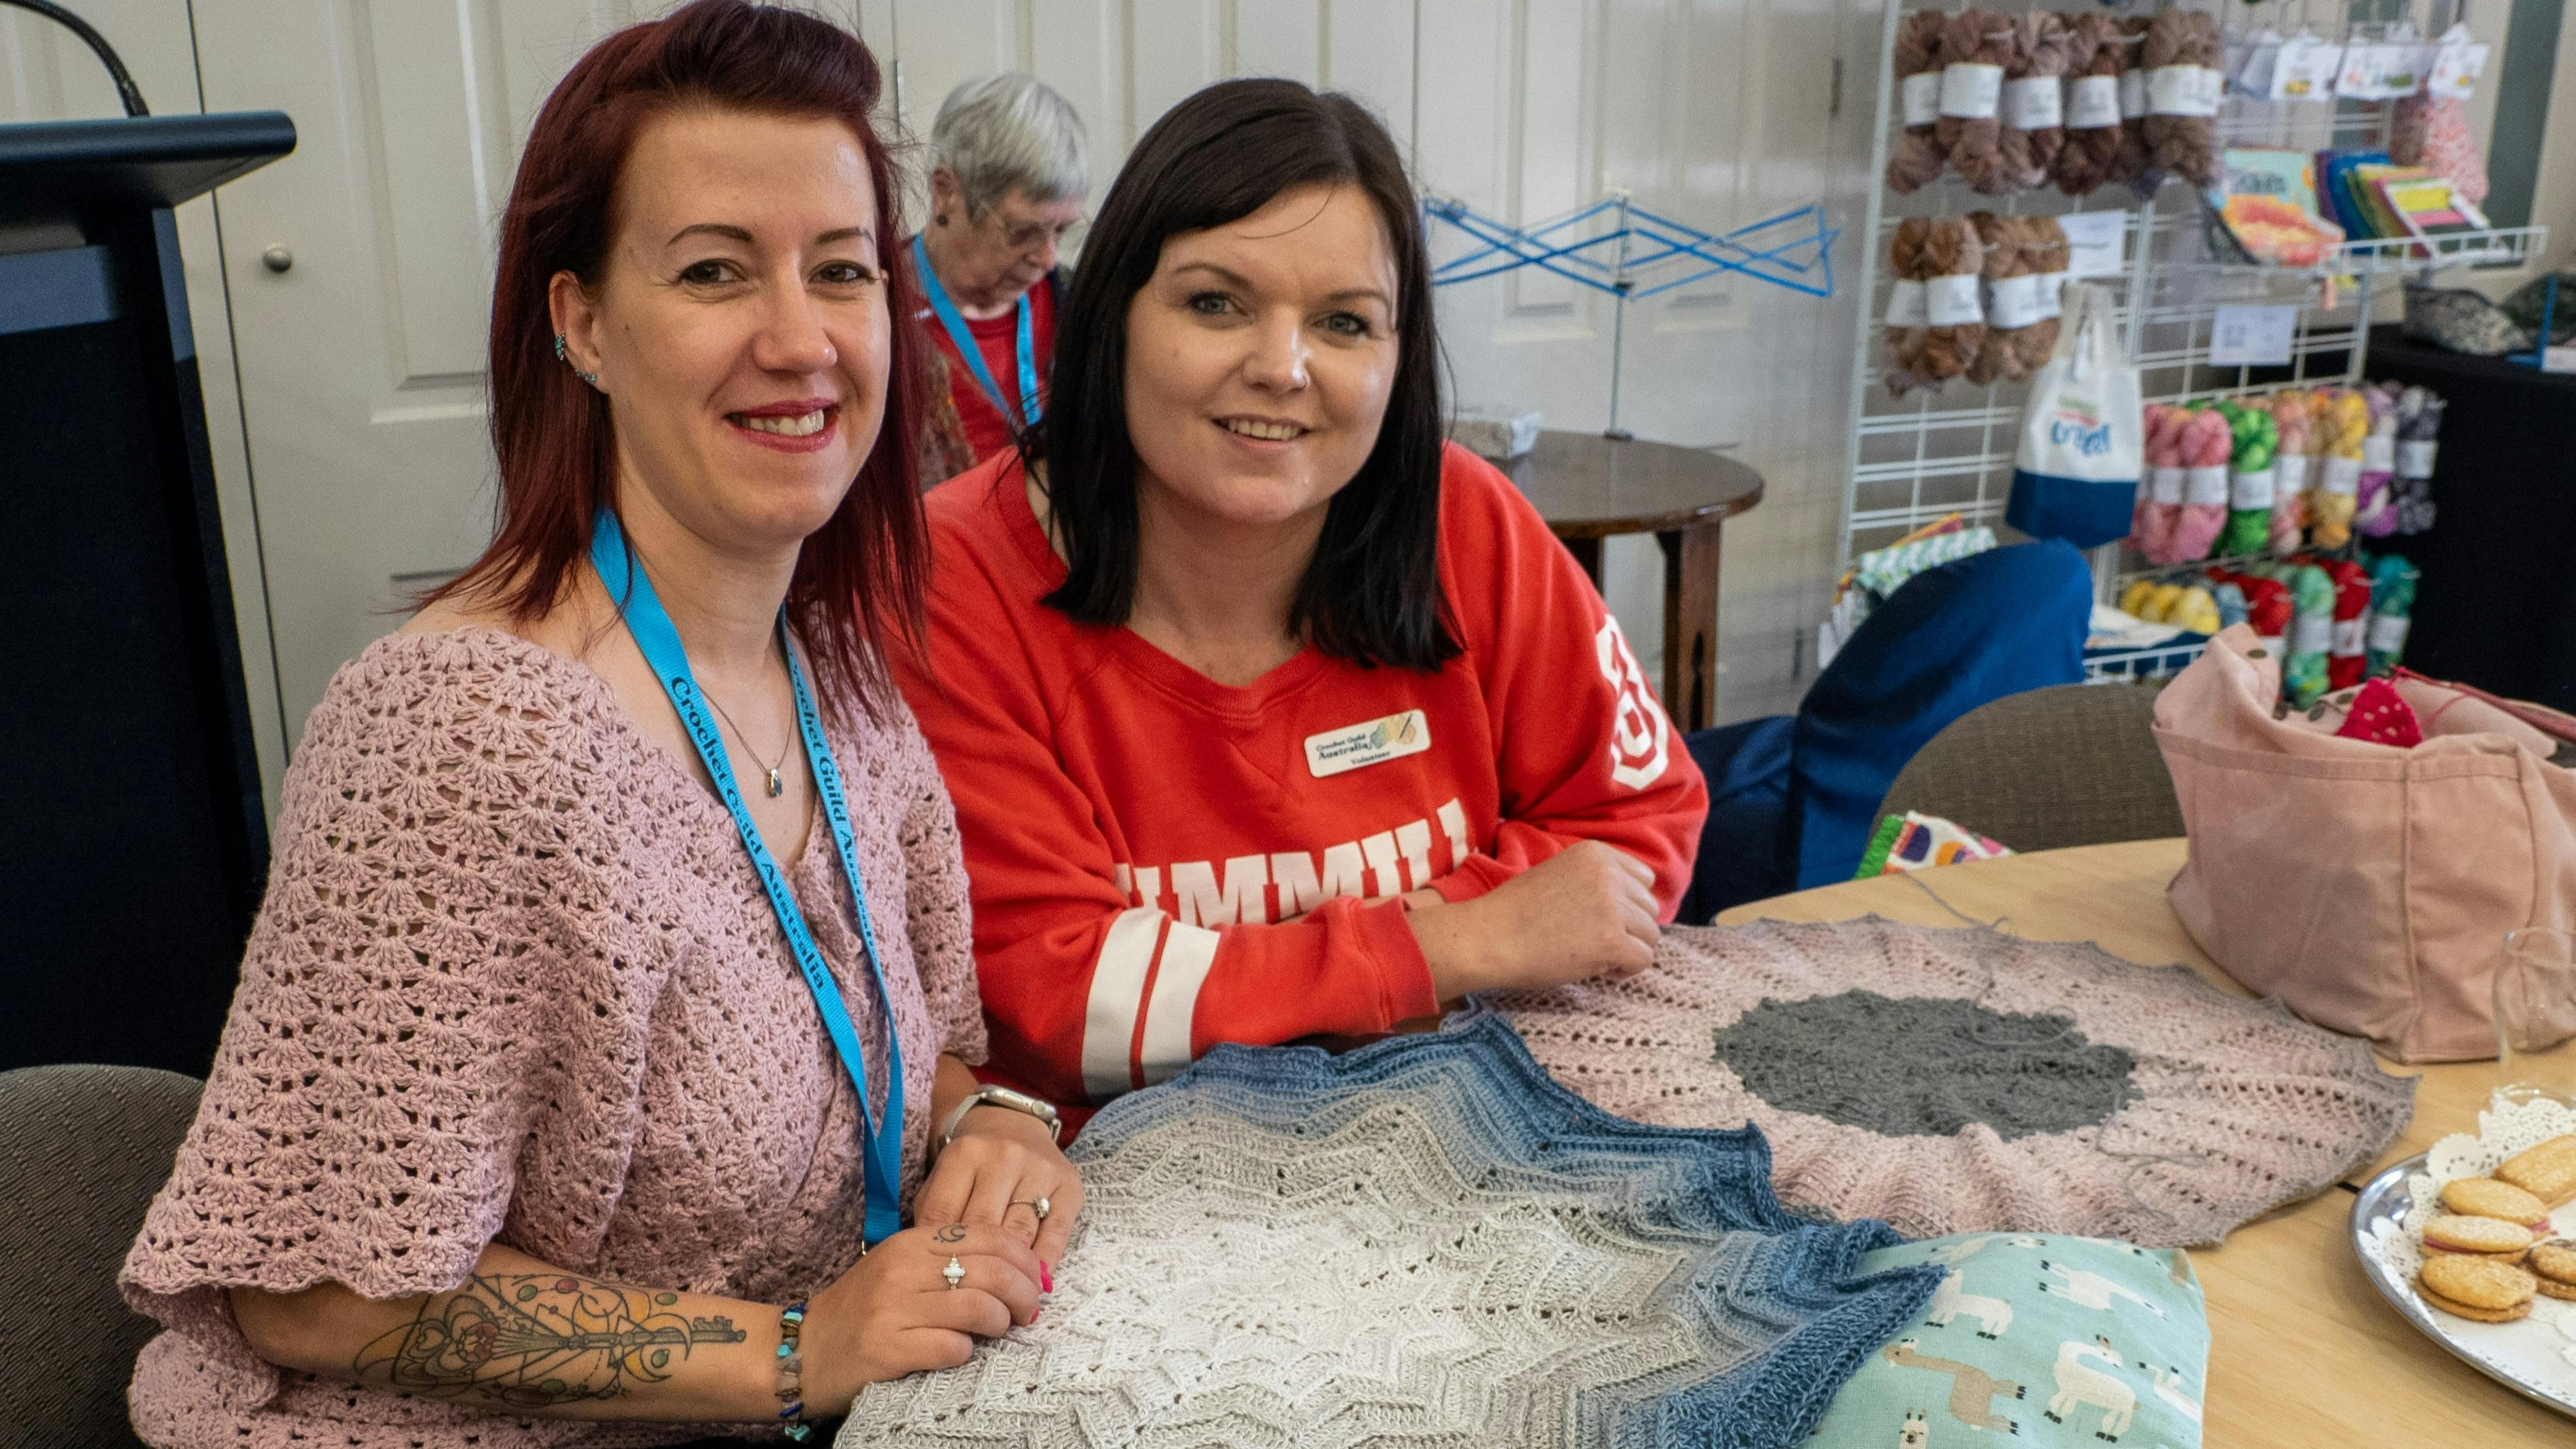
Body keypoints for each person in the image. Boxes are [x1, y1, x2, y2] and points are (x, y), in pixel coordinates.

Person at [116, 7, 1080, 1446]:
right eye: (713, 271)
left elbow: (891, 1054)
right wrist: (794, 1350)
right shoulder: (460, 737)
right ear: (580, 325)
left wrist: (990, 1119)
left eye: (839, 270)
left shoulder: (836, 674)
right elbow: (316, 1294)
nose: (800, 339)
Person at [888, 79, 1710, 1134]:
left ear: (1398, 353)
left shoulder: (1466, 519)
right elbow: (1058, 1002)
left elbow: (1635, 828)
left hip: (1475, 1139)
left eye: (1343, 322)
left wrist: (1292, 976)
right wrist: (1463, 943)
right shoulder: (952, 577)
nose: (1281, 367)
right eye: (1215, 303)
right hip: (1130, 1193)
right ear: (1111, 315)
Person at [911, 73, 1089, 479]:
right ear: (946, 192)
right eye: (1022, 232)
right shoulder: (879, 310)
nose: (1048, 259)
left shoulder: (1077, 302)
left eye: (1062, 231)